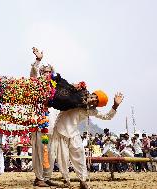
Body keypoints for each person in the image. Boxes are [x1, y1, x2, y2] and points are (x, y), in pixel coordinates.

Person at [51, 91, 124, 189]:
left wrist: (115, 106)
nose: (94, 100)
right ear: (91, 94)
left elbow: (107, 116)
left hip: (73, 133)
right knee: (62, 157)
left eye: (96, 101)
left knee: (80, 156)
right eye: (94, 97)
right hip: (60, 130)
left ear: (96, 105)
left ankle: (83, 181)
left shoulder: (91, 110)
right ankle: (66, 180)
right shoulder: (75, 97)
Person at [30, 47, 60, 187]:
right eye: (44, 71)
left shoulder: (55, 88)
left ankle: (47, 177)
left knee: (51, 152)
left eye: (49, 72)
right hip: (41, 126)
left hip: (53, 127)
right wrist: (38, 60)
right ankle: (39, 178)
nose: (47, 74)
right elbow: (33, 75)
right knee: (40, 151)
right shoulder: (37, 86)